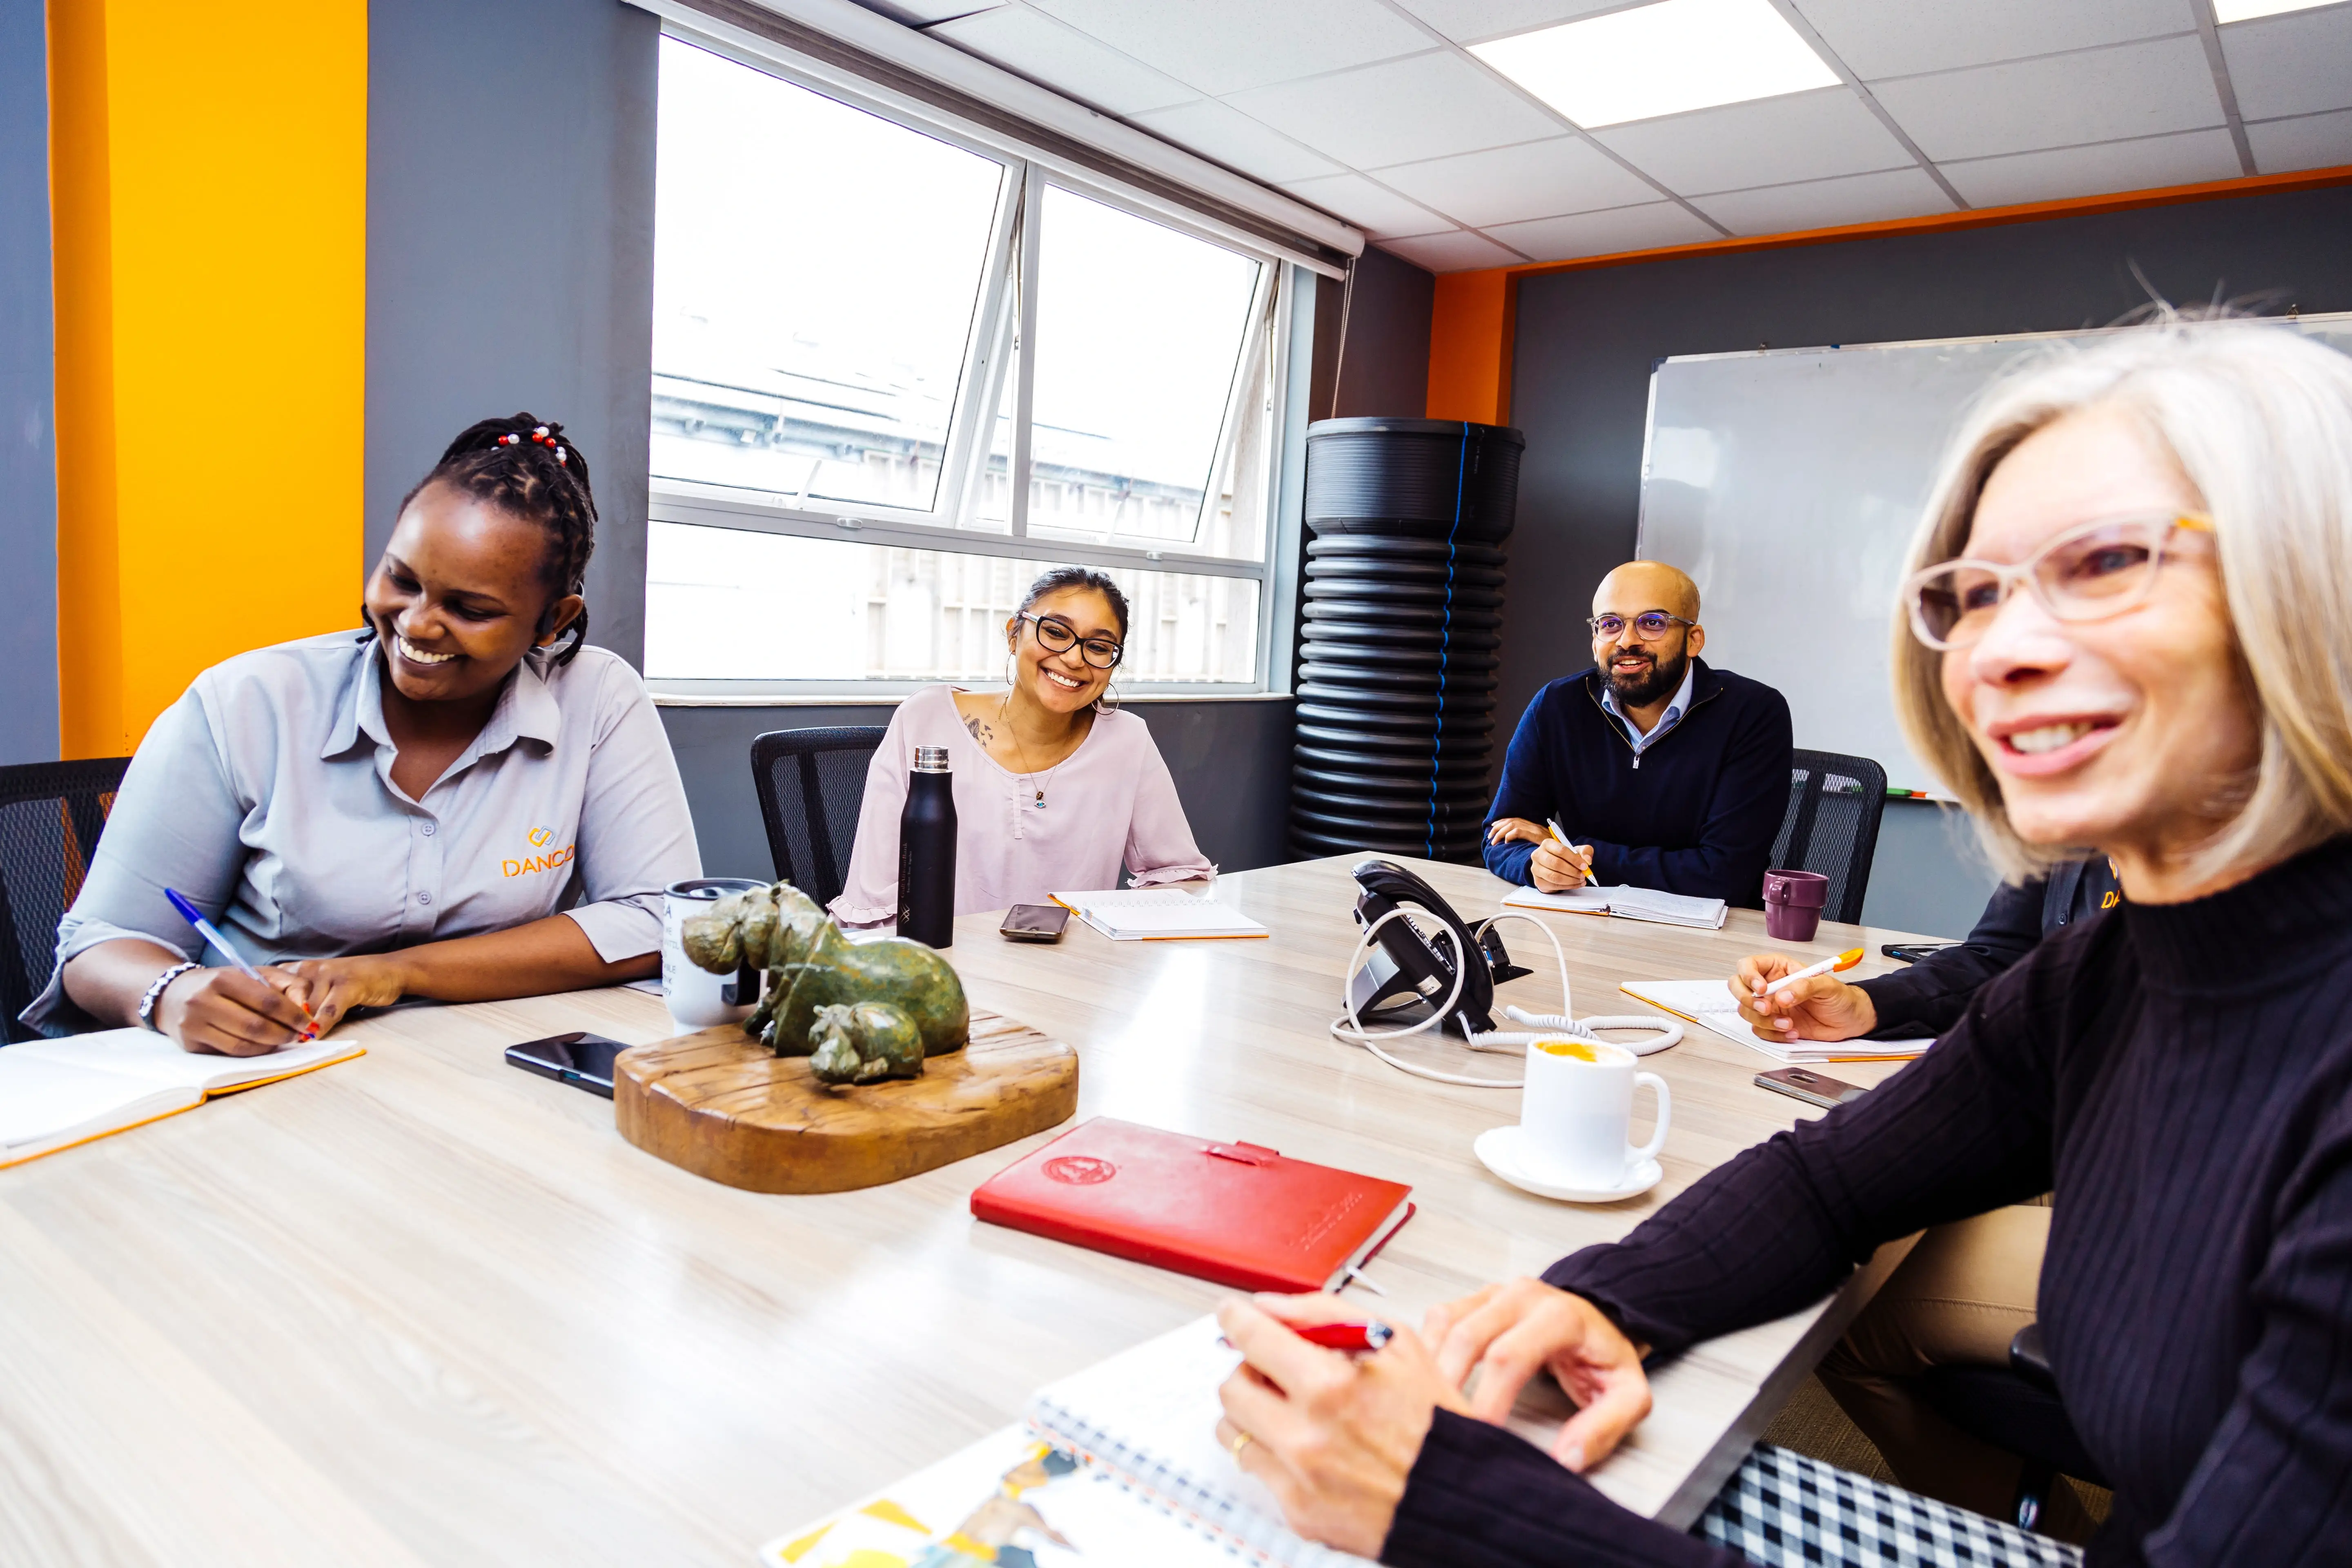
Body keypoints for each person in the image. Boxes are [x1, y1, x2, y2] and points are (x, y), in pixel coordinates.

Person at [1208, 316, 2352, 1566]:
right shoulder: (2104, 974)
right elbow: (1828, 1180)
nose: (2004, 648)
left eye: (2109, 560)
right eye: (1972, 594)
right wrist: (1598, 1296)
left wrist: (1445, 1505)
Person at [30, 414, 700, 1056]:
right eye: (400, 580)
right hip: (267, 1071)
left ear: (553, 621)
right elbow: (100, 946)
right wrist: (173, 993)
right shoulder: (249, 703)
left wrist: (395, 973)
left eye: (471, 610)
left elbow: (655, 920)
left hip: (476, 1068)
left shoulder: (598, 697)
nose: (417, 625)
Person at [830, 566, 1212, 926]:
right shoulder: (926, 719)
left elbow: (1176, 876)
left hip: (1072, 979)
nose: (1075, 658)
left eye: (1098, 647)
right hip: (940, 969)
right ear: (1015, 633)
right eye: (1056, 632)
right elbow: (872, 901)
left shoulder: (1128, 740)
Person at [1484, 561, 1792, 905]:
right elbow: (1503, 835)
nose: (1627, 641)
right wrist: (1538, 865)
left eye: (1653, 623)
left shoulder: (1754, 713)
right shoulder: (1556, 706)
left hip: (1709, 938)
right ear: (1595, 640)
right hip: (1584, 923)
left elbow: (1725, 875)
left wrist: (1579, 853)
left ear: (1693, 640)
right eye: (1610, 625)